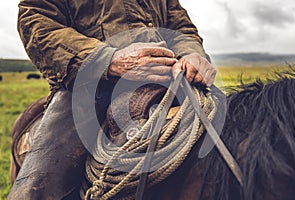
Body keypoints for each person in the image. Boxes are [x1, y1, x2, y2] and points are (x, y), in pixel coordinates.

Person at [8, 0, 216, 199]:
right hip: (88, 89)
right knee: (33, 191)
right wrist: (106, 60)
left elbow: (180, 26)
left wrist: (191, 54)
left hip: (172, 83)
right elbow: (36, 18)